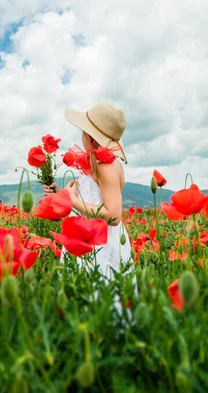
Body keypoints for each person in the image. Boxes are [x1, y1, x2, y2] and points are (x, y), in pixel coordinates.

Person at [43, 101, 133, 286]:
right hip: (85, 235)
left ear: (90, 137)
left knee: (99, 290)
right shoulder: (94, 163)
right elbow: (90, 201)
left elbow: (114, 216)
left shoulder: (106, 167)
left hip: (101, 242)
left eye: (83, 131)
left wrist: (72, 200)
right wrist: (61, 195)